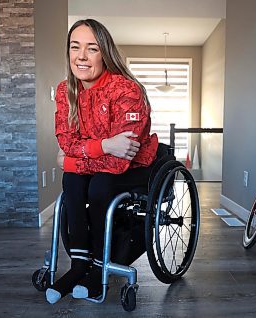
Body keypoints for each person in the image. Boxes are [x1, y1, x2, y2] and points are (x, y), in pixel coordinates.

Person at [45, 19, 158, 304]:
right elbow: (66, 143)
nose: (81, 56)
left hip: (134, 168)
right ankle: (79, 265)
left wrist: (72, 159)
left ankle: (98, 266)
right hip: (100, 163)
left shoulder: (127, 90)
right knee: (72, 180)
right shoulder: (65, 91)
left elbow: (121, 159)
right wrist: (105, 145)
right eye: (75, 47)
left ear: (104, 53)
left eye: (91, 48)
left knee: (97, 184)